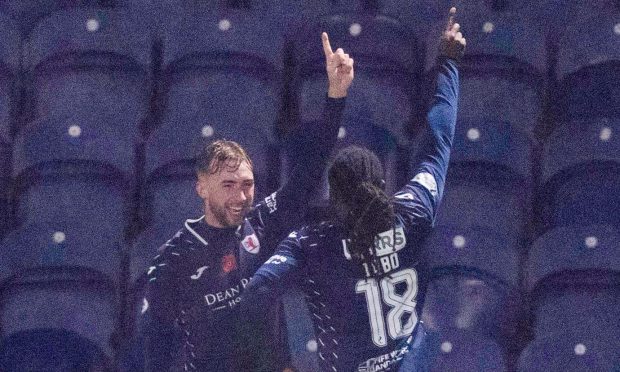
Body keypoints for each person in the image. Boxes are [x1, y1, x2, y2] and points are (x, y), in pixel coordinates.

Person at [238, 7, 465, 372]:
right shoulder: (415, 211)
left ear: (332, 198)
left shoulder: (311, 244)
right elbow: (439, 137)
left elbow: (257, 296)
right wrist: (448, 63)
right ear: (383, 185)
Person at [139, 32, 355, 371]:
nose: (241, 197)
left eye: (247, 185)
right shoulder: (174, 261)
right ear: (201, 188)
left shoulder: (263, 222)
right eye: (228, 185)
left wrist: (336, 95)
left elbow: (310, 171)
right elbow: (154, 347)